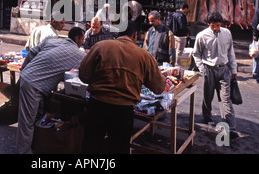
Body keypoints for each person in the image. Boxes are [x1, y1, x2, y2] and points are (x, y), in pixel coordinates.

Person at [79, 20, 165, 154]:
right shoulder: (144, 56)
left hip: (97, 106)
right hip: (123, 111)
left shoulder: (100, 46)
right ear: (135, 36)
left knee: (91, 146)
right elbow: (159, 88)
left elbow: (83, 75)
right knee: (118, 148)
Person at [16, 27, 86, 154]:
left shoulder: (53, 41)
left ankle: (36, 146)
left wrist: (25, 70)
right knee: (27, 122)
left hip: (30, 80)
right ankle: (23, 152)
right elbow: (84, 75)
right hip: (33, 85)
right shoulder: (79, 55)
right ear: (76, 39)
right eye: (82, 39)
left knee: (38, 116)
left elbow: (32, 52)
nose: (83, 42)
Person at [192, 12, 239, 139]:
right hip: (209, 69)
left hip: (224, 69)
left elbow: (231, 52)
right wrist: (203, 69)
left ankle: (231, 127)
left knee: (225, 98)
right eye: (213, 26)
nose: (215, 28)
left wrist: (233, 69)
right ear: (208, 24)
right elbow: (196, 53)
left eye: (218, 25)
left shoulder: (227, 33)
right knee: (208, 95)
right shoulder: (201, 36)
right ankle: (207, 116)